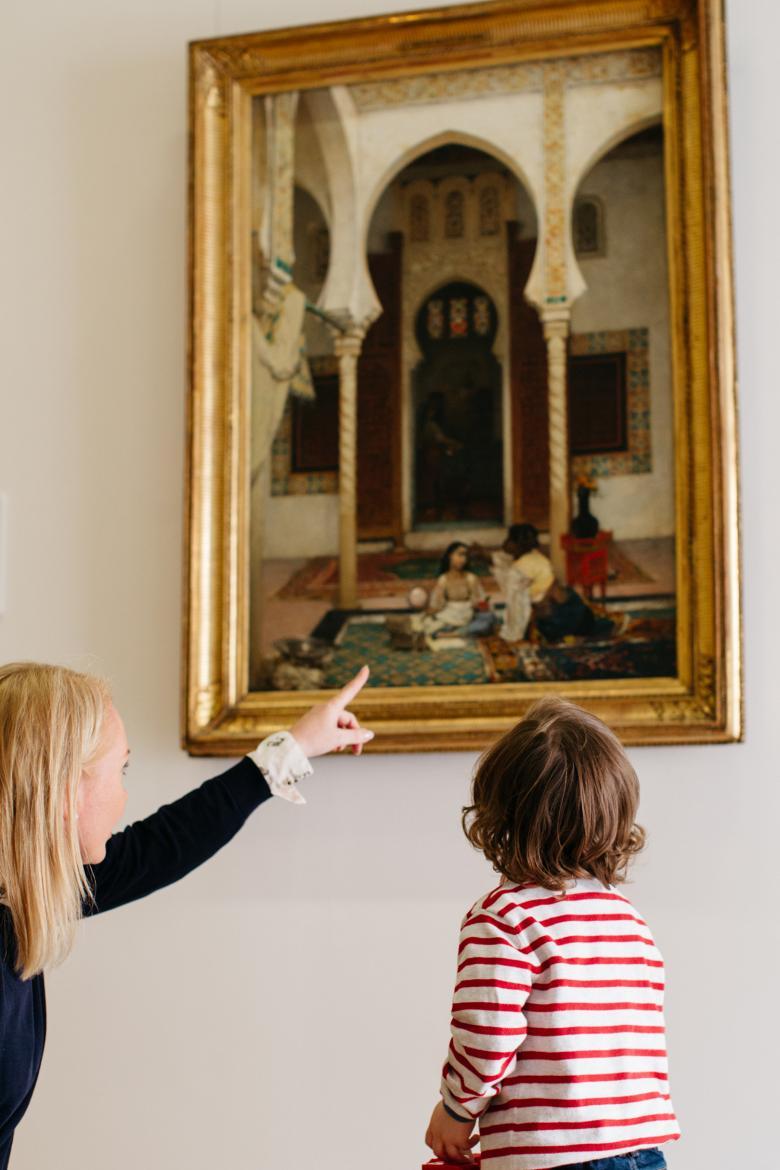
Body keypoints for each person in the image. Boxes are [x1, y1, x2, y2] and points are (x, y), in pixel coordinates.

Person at [0, 661, 373, 1169]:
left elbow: (160, 847)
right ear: (65, 790)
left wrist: (292, 747)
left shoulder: (24, 892)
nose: (125, 795)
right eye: (121, 770)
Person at [424, 696, 680, 1169]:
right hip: (642, 1149)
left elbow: (487, 1034)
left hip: (552, 1157)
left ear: (499, 815)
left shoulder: (504, 916)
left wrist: (456, 1111)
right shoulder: (625, 917)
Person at [425, 542, 496, 640]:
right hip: (449, 616)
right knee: (427, 623)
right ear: (450, 556)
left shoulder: (471, 578)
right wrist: (427, 613)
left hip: (467, 616)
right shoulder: (443, 579)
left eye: (465, 556)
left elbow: (479, 601)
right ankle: (457, 632)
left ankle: (452, 634)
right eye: (460, 555)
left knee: (489, 618)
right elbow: (437, 604)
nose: (463, 559)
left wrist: (481, 605)